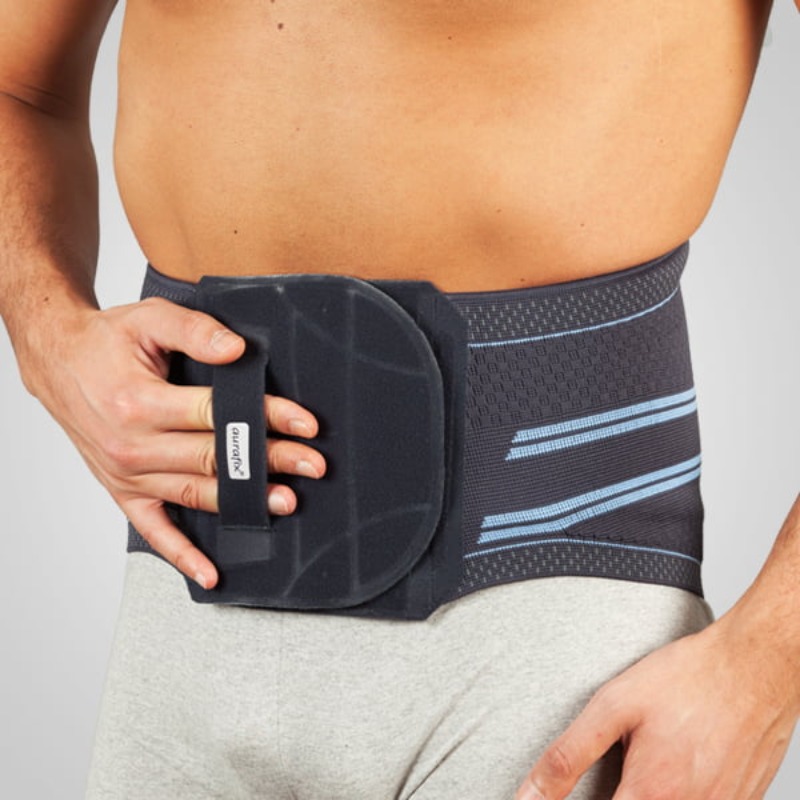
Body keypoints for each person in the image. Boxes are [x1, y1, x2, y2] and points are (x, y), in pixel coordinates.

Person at [0, 1, 797, 798]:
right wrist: (49, 335)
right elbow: (16, 85)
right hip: (179, 630)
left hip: (548, 649)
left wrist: (763, 666)